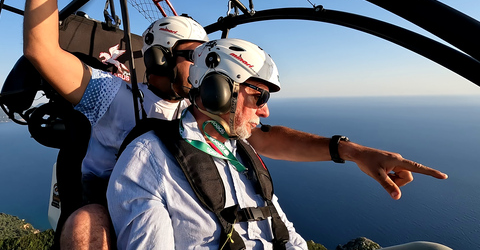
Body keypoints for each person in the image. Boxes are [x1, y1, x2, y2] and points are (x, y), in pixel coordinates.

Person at [24, 0, 449, 249]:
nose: (205, 64)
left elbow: (266, 138)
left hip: (181, 191)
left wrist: (350, 150)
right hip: (113, 198)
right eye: (194, 53)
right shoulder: (111, 96)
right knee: (87, 226)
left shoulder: (202, 115)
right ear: (159, 59)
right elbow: (42, 51)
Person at [107, 39, 452, 250]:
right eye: (259, 95)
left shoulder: (240, 151)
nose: (266, 109)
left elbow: (283, 230)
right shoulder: (149, 161)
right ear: (217, 91)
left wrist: (355, 152)